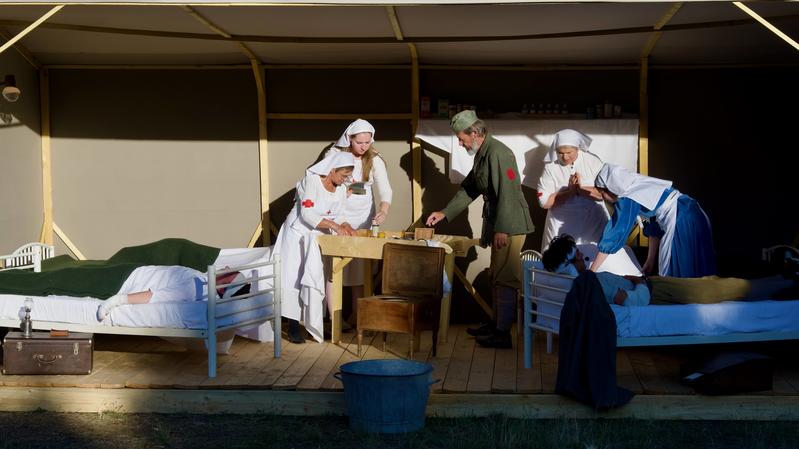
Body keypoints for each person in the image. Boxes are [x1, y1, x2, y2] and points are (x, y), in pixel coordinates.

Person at [425, 110, 535, 348]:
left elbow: (507, 192)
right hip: (499, 222)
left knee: (505, 276)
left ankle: (503, 332)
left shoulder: (499, 154)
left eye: (461, 137)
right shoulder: (483, 154)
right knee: (496, 274)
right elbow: (470, 188)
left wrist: (503, 228)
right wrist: (445, 212)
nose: (460, 142)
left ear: (475, 133)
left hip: (510, 224)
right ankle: (497, 324)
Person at [543, 234, 793, 306]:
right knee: (726, 289)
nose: (583, 256)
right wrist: (639, 283)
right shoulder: (589, 285)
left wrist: (636, 279)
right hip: (657, 294)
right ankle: (788, 281)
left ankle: (784, 278)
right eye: (577, 255)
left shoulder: (587, 280)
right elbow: (633, 302)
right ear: (570, 263)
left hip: (656, 285)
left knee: (712, 281)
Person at [272, 152, 357, 344]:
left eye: (347, 176)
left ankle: (314, 325)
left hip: (318, 237)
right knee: (294, 277)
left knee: (315, 277)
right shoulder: (311, 182)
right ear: (333, 170)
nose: (345, 180)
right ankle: (293, 325)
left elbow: (341, 214)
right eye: (343, 175)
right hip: (297, 235)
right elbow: (308, 214)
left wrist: (346, 225)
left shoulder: (341, 189)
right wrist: (335, 226)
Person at [592, 163, 716, 278]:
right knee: (696, 266)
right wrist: (650, 260)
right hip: (695, 213)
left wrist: (592, 271)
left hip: (681, 218)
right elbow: (654, 227)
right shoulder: (641, 186)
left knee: (677, 272)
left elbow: (616, 231)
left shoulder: (628, 197)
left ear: (609, 188)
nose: (603, 198)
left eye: (602, 194)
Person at [325, 119, 393, 326]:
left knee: (359, 269)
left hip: (363, 218)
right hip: (338, 216)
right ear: (349, 139)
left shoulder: (374, 159)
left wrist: (383, 210)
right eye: (359, 142)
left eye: (367, 142)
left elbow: (385, 189)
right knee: (334, 267)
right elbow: (323, 183)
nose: (364, 146)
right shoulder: (333, 155)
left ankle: (357, 316)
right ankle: (334, 319)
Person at [536, 129, 609, 250]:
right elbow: (544, 202)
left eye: (569, 152)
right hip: (559, 227)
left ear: (577, 148)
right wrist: (569, 192)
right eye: (560, 153)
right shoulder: (550, 167)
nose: (564, 157)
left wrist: (580, 189)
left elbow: (605, 193)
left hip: (592, 224)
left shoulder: (593, 161)